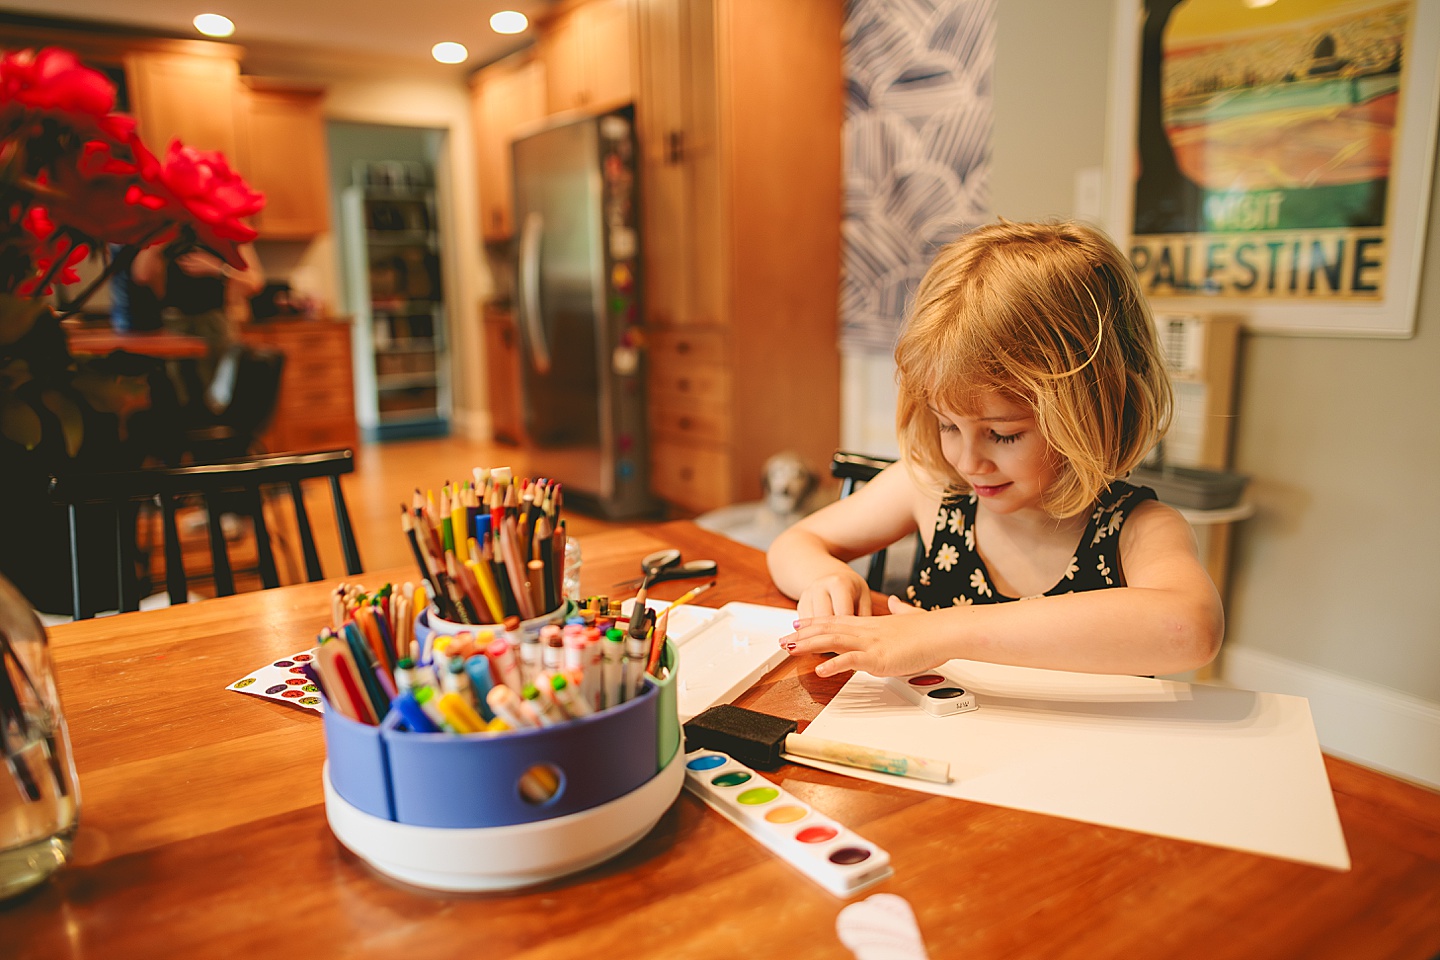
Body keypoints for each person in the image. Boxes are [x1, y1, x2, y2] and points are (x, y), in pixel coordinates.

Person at [767, 219, 1224, 679]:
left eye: (1004, 435)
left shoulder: (1137, 530)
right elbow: (794, 543)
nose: (968, 463)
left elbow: (1191, 629)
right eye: (947, 426)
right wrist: (826, 578)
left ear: (1092, 413)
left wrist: (943, 633)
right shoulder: (932, 490)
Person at [129, 238, 264, 415]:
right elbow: (141, 275)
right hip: (174, 321)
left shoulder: (225, 229)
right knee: (176, 394)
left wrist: (218, 269)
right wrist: (161, 238)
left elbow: (255, 282)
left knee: (218, 393)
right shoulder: (169, 232)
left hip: (216, 321)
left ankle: (215, 429)